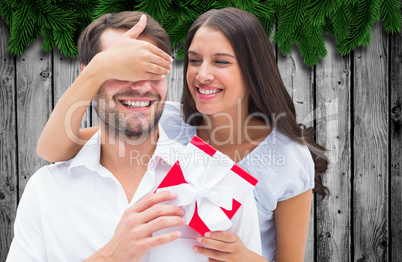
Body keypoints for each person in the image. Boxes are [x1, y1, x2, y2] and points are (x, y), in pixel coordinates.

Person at [36, 7, 328, 262]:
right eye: (195, 60)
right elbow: (54, 149)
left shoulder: (288, 157)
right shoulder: (168, 122)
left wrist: (244, 257)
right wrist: (96, 70)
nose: (202, 75)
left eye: (221, 61)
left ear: (253, 70)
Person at [7, 11, 262, 262]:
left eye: (152, 70)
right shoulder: (46, 191)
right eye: (121, 69)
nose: (141, 86)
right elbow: (51, 147)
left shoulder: (218, 182)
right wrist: (111, 257)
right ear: (89, 75)